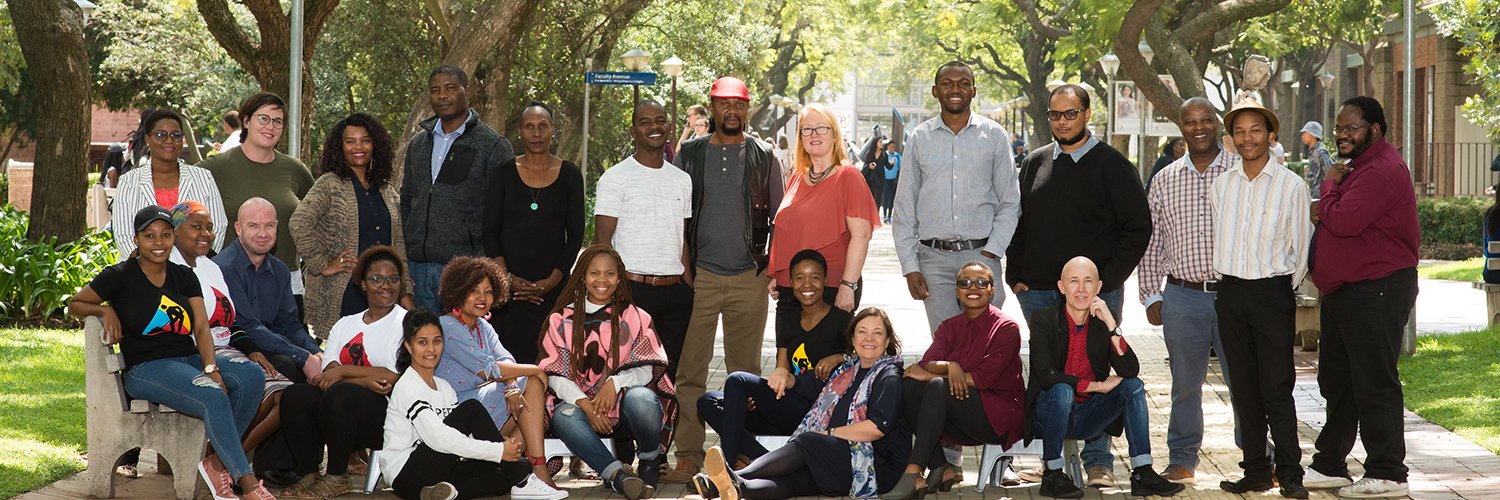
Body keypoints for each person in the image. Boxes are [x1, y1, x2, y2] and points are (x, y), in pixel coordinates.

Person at [70, 205, 273, 500]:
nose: (159, 242)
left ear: (173, 237)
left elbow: (202, 329)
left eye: (165, 235)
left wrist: (211, 367)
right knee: (213, 395)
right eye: (150, 236)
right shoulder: (120, 275)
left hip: (187, 360)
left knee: (251, 376)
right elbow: (75, 303)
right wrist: (105, 309)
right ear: (136, 239)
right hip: (147, 369)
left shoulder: (183, 275)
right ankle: (250, 484)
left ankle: (217, 463)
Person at [1008, 84, 1151, 487]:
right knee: (1046, 373)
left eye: (1070, 113)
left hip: (1095, 292)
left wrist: (1110, 279)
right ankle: (1046, 455)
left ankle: (1098, 459)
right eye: (1055, 115)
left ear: (1087, 114)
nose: (1062, 121)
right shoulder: (1034, 163)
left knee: (1099, 367)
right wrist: (1014, 273)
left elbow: (1137, 228)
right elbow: (1020, 222)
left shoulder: (1112, 165)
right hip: (1038, 288)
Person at [669, 76, 788, 481]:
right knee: (690, 370)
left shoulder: (764, 155)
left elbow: (780, 218)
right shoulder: (691, 153)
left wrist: (771, 268)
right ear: (713, 107)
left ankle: (740, 451)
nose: (731, 112)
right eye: (723, 105)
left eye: (738, 105)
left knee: (745, 373)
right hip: (700, 275)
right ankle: (687, 453)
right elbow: (677, 214)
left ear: (747, 108)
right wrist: (684, 266)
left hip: (749, 277)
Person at [1302, 96, 1420, 498]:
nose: (1341, 134)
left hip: (1378, 288)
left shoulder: (1383, 169)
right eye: (1338, 127)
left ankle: (1388, 472)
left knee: (1373, 381)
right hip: (1347, 290)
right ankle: (1330, 464)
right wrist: (1330, 199)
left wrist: (1328, 190)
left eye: (1351, 127)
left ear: (1375, 129)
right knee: (1338, 380)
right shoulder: (1359, 168)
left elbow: (1344, 220)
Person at [695, 307, 910, 500]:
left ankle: (729, 476)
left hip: (874, 462)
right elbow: (809, 388)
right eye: (862, 332)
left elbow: (876, 428)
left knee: (809, 440)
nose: (869, 339)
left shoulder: (888, 374)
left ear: (887, 340)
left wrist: (828, 434)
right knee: (792, 483)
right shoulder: (845, 370)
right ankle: (736, 488)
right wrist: (786, 379)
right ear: (853, 339)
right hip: (836, 458)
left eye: (877, 333)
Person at [1212, 99, 1311, 498]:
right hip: (1231, 292)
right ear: (1231, 140)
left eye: (1255, 130)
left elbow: (1301, 250)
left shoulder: (1292, 185)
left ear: (1270, 136)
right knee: (1243, 388)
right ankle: (1254, 470)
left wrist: (1279, 292)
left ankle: (1290, 474)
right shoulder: (1222, 185)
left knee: (1276, 386)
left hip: (1272, 293)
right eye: (1239, 131)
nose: (1247, 138)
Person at [1137, 97, 1238, 483]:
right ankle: (1182, 459)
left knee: (1243, 380)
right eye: (1190, 122)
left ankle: (1259, 456)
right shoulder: (1164, 179)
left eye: (1205, 120)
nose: (1198, 128)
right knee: (1185, 385)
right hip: (1182, 295)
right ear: (1180, 127)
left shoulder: (1240, 171)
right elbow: (1153, 240)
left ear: (1218, 124)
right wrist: (1151, 293)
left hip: (1235, 295)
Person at [1025, 257, 1183, 499]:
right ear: (1061, 286)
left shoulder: (1101, 323)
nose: (1081, 289)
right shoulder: (1043, 319)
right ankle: (1053, 474)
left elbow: (1130, 370)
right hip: (1048, 415)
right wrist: (1095, 386)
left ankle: (1142, 471)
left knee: (1134, 386)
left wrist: (1111, 324)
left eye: (1088, 282)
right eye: (1074, 282)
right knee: (1062, 389)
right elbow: (1046, 376)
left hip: (1088, 415)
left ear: (1098, 287)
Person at [538, 245, 679, 500]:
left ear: (619, 277)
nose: (602, 280)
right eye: (594, 273)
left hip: (622, 408)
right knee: (564, 415)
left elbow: (648, 369)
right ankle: (618, 476)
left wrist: (614, 383)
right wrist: (586, 405)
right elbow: (554, 375)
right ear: (582, 276)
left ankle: (649, 462)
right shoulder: (561, 319)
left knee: (644, 400)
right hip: (580, 408)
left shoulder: (636, 316)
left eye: (610, 273)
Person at [381, 309, 566, 500]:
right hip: (407, 474)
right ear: (409, 347)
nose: (431, 349)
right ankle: (522, 482)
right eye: (422, 342)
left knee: (512, 469)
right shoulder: (408, 385)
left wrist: (501, 443)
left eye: (437, 341)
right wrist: (499, 450)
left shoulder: (444, 387)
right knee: (472, 409)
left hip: (438, 468)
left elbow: (460, 436)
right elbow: (438, 438)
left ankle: (439, 494)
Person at [892, 61, 1018, 333]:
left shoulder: (995, 136)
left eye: (963, 83)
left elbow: (1010, 201)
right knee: (945, 345)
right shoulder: (919, 138)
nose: (955, 89)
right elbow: (904, 207)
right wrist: (910, 266)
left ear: (974, 90)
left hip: (982, 256)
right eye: (947, 83)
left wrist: (993, 251)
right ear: (935, 91)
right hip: (933, 261)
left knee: (985, 342)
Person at [699, 249, 851, 469]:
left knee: (736, 380)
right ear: (790, 282)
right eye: (799, 278)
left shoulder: (841, 319)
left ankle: (729, 467)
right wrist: (757, 399)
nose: (807, 284)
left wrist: (839, 357)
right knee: (708, 401)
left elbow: (865, 360)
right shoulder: (788, 318)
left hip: (816, 412)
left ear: (826, 280)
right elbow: (782, 369)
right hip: (786, 407)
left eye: (815, 277)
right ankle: (770, 461)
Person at [277, 245, 408, 498]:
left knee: (342, 393)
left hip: (385, 416)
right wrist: (365, 379)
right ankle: (309, 473)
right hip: (339, 410)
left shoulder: (406, 323)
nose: (386, 285)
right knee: (295, 395)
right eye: (377, 279)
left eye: (393, 279)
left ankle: (337, 476)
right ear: (363, 284)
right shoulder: (345, 324)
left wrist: (344, 374)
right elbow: (329, 373)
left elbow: (393, 377)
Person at [887, 261, 1024, 499]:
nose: (974, 287)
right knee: (909, 386)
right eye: (965, 283)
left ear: (992, 290)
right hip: (958, 415)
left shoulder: (1006, 327)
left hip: (998, 417)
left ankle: (914, 471)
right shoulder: (949, 326)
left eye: (982, 282)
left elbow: (982, 379)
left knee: (936, 385)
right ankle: (941, 467)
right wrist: (951, 366)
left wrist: (935, 375)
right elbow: (928, 361)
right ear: (957, 290)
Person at [169, 201, 292, 460]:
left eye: (209, 228)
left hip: (228, 348)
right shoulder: (168, 269)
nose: (205, 234)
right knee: (261, 388)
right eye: (196, 227)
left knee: (286, 396)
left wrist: (252, 349)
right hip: (194, 353)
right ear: (176, 231)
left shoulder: (210, 267)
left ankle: (217, 460)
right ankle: (228, 462)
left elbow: (229, 321)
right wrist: (210, 366)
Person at [433, 256, 559, 486]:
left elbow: (505, 361)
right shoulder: (447, 325)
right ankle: (536, 470)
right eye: (474, 290)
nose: (482, 298)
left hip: (484, 404)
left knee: (526, 398)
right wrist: (536, 370)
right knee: (532, 383)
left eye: (488, 291)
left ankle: (521, 470)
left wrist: (511, 387)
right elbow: (489, 370)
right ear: (458, 291)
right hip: (458, 412)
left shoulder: (483, 326)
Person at [401, 65, 515, 313]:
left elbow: (504, 213)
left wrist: (482, 266)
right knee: (419, 344)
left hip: (464, 270)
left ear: (467, 91)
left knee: (459, 346)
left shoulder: (493, 146)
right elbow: (408, 199)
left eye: (451, 88)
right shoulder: (418, 145)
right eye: (435, 90)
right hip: (416, 268)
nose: (442, 95)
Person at [290, 113, 409, 341]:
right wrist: (321, 264)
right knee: (349, 353)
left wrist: (405, 288)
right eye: (350, 141)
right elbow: (299, 223)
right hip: (346, 291)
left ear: (375, 144)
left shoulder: (386, 190)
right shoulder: (329, 184)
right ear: (340, 146)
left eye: (365, 140)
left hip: (385, 291)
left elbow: (400, 243)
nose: (358, 146)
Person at [483, 101, 585, 364]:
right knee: (510, 363)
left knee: (551, 361)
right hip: (509, 292)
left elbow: (575, 235)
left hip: (554, 290)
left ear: (553, 130)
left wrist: (550, 282)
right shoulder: (502, 174)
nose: (536, 133)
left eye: (543, 126)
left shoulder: (570, 175)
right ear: (520, 131)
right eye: (529, 126)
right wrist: (506, 278)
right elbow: (489, 231)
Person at [202, 92, 316, 318]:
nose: (270, 127)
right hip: (231, 282)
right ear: (246, 121)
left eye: (277, 121)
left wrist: (322, 263)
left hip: (287, 283)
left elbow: (319, 218)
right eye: (263, 118)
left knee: (295, 349)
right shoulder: (216, 167)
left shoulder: (295, 169)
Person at [766, 104, 879, 324]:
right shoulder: (798, 176)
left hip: (832, 289)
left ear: (835, 134)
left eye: (821, 128)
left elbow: (861, 236)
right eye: (806, 129)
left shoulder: (849, 177)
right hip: (792, 288)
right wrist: (776, 274)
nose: (813, 134)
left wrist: (848, 285)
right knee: (787, 355)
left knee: (829, 357)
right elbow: (786, 227)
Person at [215, 198, 324, 384]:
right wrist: (303, 358)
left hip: (272, 343)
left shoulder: (280, 269)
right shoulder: (223, 268)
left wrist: (316, 353)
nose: (262, 233)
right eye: (253, 226)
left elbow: (289, 325)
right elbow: (248, 326)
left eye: (269, 225)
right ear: (238, 229)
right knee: (288, 367)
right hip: (235, 344)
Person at [111, 109, 228, 259]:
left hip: (196, 270)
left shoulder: (204, 178)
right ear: (148, 138)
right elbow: (124, 235)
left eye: (176, 135)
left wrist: (197, 263)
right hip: (143, 272)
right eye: (161, 135)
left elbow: (218, 227)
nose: (169, 140)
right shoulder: (129, 181)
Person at [1299, 121, 1333, 198]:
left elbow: (1329, 175)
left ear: (1312, 134)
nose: (1302, 136)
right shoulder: (1313, 152)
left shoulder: (1321, 153)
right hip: (1314, 196)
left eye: (1305, 133)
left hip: (1321, 198)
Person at [863, 138, 887, 205]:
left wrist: (891, 163)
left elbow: (888, 166)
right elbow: (865, 166)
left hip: (880, 180)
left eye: (882, 142)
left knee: (878, 199)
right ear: (875, 143)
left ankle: (876, 213)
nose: (882, 143)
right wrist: (869, 166)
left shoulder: (884, 155)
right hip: (870, 180)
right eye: (880, 142)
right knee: (870, 198)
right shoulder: (869, 154)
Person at [882, 141, 901, 223]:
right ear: (888, 147)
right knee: (885, 197)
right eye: (891, 147)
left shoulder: (897, 156)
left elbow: (900, 167)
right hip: (885, 179)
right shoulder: (884, 155)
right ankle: (885, 214)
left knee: (892, 198)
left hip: (893, 180)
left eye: (894, 147)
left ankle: (890, 215)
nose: (893, 149)